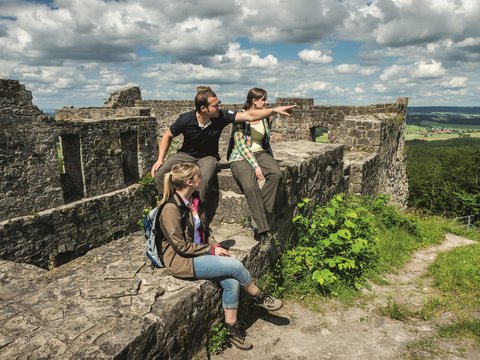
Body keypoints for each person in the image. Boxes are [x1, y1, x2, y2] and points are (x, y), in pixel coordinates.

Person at [159, 162, 283, 350]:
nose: (202, 179)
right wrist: (210, 251)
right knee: (234, 267)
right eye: (198, 176)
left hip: (198, 252)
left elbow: (204, 229)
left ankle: (231, 329)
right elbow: (179, 245)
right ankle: (260, 296)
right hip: (182, 260)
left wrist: (213, 244)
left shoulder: (194, 199)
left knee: (231, 281)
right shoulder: (171, 209)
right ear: (190, 181)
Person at [150, 86, 295, 219]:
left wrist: (275, 110)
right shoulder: (186, 119)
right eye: (215, 105)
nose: (219, 107)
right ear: (203, 109)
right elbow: (167, 135)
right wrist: (160, 159)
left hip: (208, 156)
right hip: (186, 154)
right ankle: (169, 206)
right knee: (160, 174)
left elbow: (249, 116)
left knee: (204, 179)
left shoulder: (221, 116)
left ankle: (196, 214)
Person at [226, 88, 282, 252]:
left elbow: (265, 141)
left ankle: (259, 214)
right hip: (241, 156)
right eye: (263, 100)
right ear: (254, 101)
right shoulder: (240, 117)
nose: (266, 102)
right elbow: (241, 144)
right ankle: (264, 232)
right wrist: (255, 166)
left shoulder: (266, 117)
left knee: (276, 174)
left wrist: (264, 161)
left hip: (260, 153)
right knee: (251, 186)